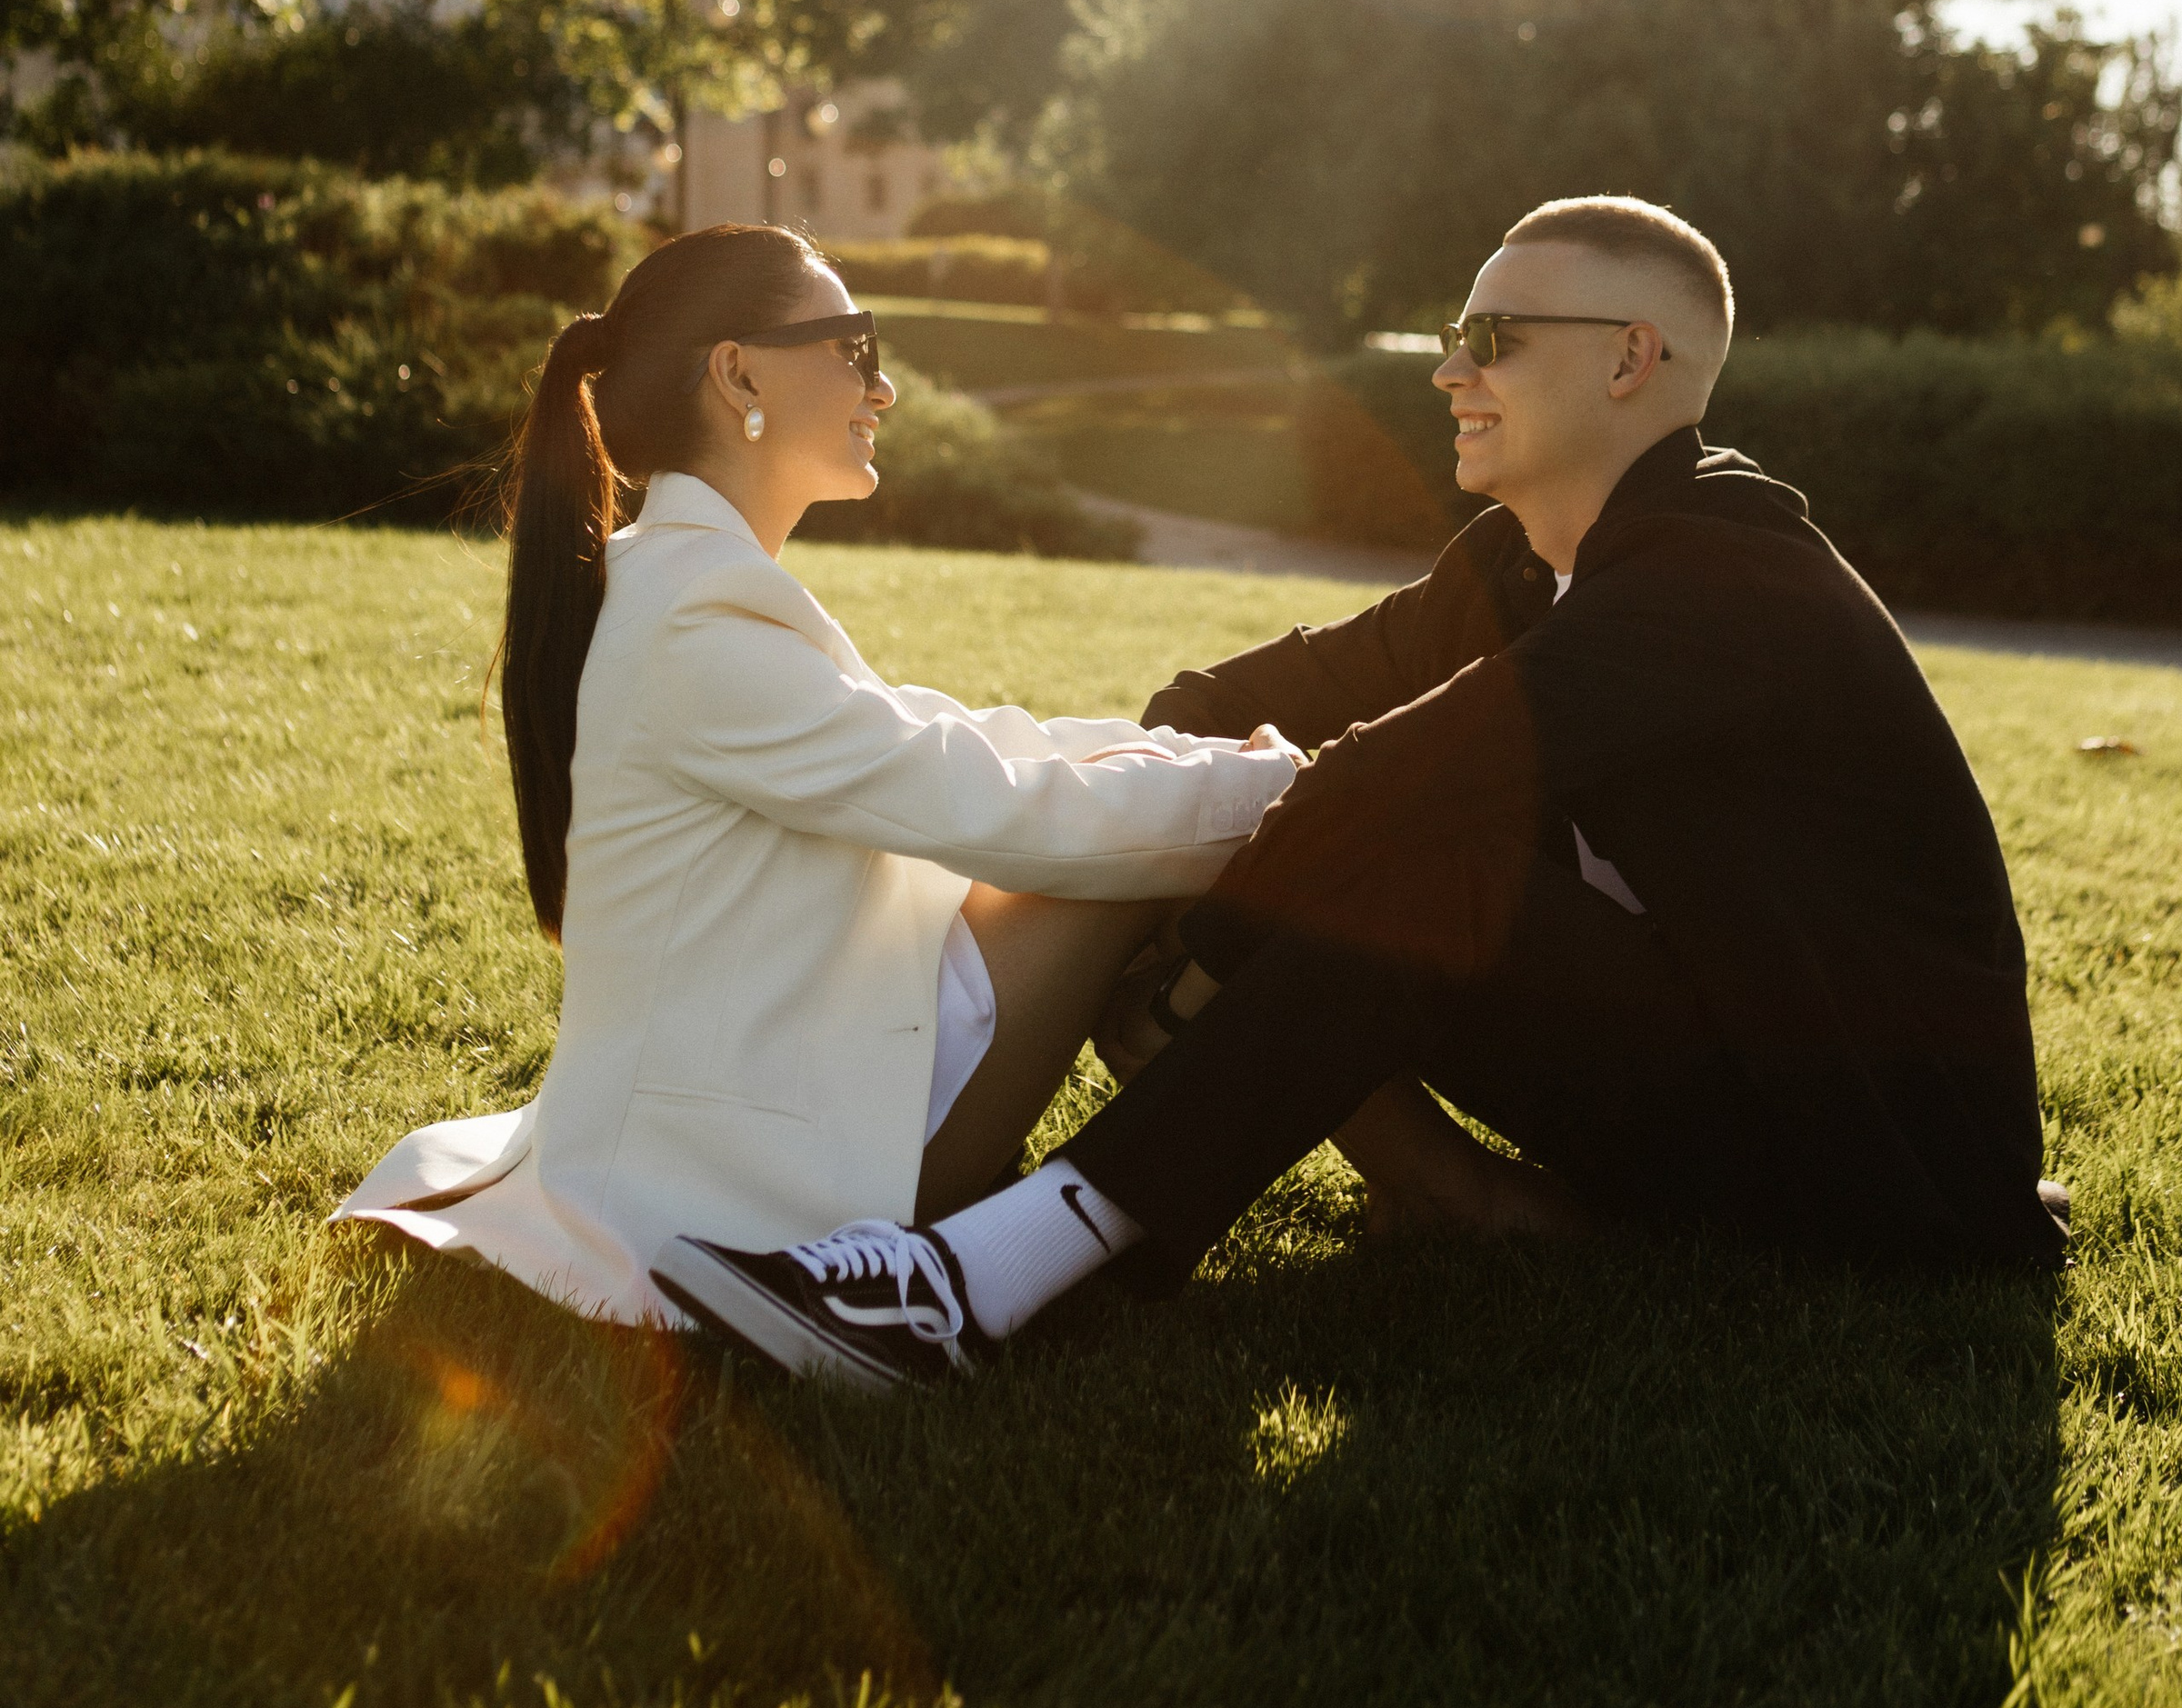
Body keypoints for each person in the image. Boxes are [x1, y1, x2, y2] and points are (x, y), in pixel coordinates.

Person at [653, 195, 2068, 1393]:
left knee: (1421, 851)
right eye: (1457, 334)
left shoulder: (1722, 575)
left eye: (1494, 338)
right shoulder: (1520, 564)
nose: (1450, 369)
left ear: (1631, 359)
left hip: (1869, 1172)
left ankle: (968, 1287)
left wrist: (1204, 955)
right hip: (1715, 1072)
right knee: (1330, 828)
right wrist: (1163, 789)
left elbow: (1402, 777)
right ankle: (1425, 1202)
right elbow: (1250, 695)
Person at [334, 224, 1296, 1321]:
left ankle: (1348, 1140)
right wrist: (1277, 795)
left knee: (1149, 811)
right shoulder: (698, 616)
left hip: (782, 1082)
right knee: (1122, 852)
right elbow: (998, 808)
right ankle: (1378, 1176)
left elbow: (949, 736)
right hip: (769, 1181)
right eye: (852, 346)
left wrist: (1202, 763)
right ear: (738, 373)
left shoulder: (675, 576)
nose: (882, 388)